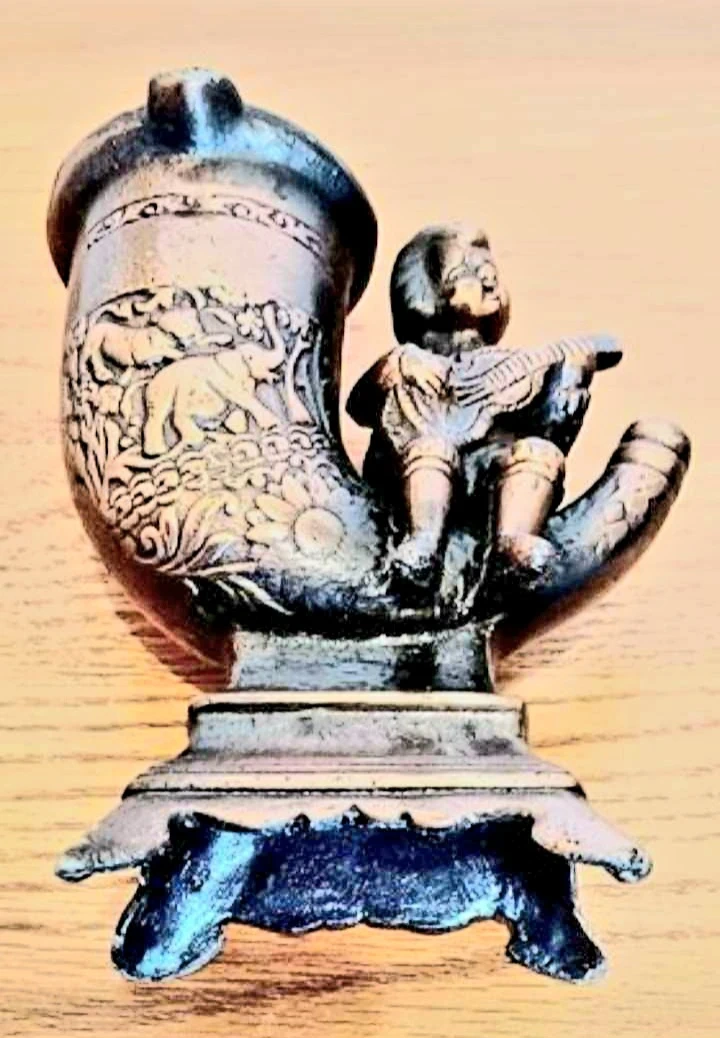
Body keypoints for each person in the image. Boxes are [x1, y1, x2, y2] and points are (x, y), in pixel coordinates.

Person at [347, 224, 620, 593]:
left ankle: (513, 541)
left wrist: (572, 373)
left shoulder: (512, 363)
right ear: (429, 293)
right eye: (468, 273)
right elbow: (358, 407)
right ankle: (423, 542)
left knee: (538, 452)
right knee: (431, 448)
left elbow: (551, 425)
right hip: (413, 472)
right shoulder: (411, 361)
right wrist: (394, 366)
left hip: (486, 473)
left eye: (489, 271)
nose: (488, 280)